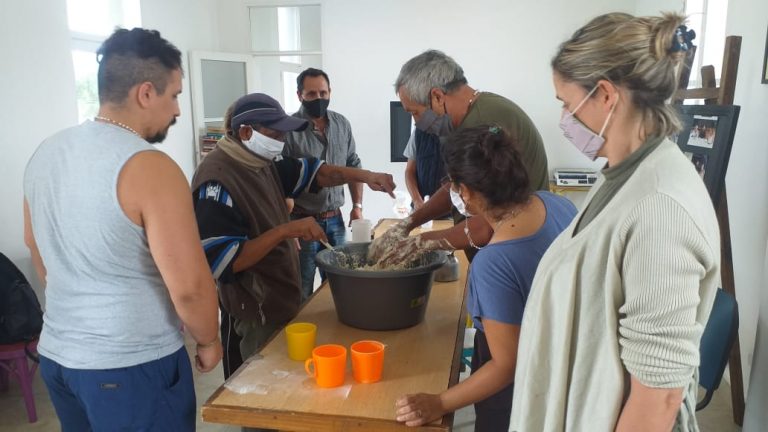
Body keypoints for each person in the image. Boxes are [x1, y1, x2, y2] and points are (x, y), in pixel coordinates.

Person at [510, 13, 721, 432]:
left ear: (605, 95)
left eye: (568, 104)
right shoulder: (624, 174)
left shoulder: (660, 208)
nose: (565, 118)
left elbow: (658, 397)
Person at [23, 28, 222, 431]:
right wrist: (208, 339)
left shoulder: (47, 152)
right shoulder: (150, 166)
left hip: (60, 358)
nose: (178, 111)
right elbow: (189, 285)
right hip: (130, 365)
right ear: (146, 93)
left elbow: (35, 246)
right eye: (175, 95)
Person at [192, 93, 395, 378]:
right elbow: (226, 261)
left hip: (279, 298)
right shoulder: (218, 179)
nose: (281, 141)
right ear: (246, 132)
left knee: (285, 377)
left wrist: (366, 176)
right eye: (275, 133)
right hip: (254, 310)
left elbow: (321, 174)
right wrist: (287, 230)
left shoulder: (262, 162)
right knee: (258, 389)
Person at [394, 126, 576, 430]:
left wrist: (438, 402)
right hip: (563, 368)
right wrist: (420, 240)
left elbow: (506, 365)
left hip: (518, 397)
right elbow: (482, 227)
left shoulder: (493, 264)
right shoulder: (555, 204)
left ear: (464, 192)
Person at [369, 50, 549, 265]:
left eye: (414, 112)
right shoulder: (475, 114)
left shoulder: (482, 125)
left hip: (515, 259)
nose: (416, 123)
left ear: (437, 97)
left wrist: (417, 243)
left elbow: (485, 225)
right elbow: (455, 188)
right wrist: (408, 223)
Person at [282, 68, 364, 302]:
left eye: (323, 92)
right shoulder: (288, 129)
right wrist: (286, 228)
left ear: (330, 92)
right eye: (311, 94)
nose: (319, 99)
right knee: (302, 289)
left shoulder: (341, 124)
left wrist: (357, 205)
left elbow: (353, 165)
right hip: (301, 222)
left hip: (335, 221)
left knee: (341, 286)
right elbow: (278, 181)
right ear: (299, 95)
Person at [403, 128, 448, 212]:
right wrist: (416, 199)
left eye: (417, 114)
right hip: (420, 210)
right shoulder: (418, 133)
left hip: (451, 211)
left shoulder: (457, 131)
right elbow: (409, 171)